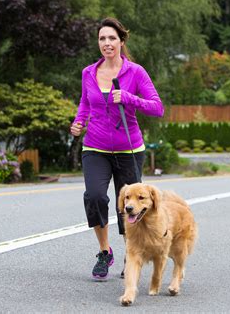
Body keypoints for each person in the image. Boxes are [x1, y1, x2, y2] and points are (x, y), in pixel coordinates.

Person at [70, 17, 164, 280]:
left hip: (129, 150)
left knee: (130, 206)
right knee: (95, 196)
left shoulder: (136, 72)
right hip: (95, 147)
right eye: (102, 38)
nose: (107, 43)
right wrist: (78, 124)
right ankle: (104, 251)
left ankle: (130, 253)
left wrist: (129, 98)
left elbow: (158, 107)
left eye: (112, 38)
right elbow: (85, 106)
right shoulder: (89, 72)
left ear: (121, 42)